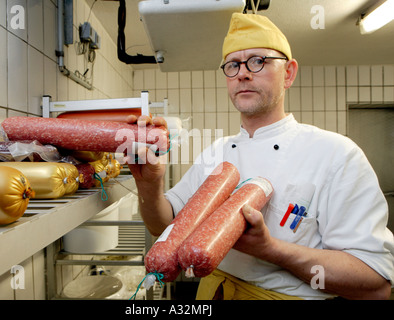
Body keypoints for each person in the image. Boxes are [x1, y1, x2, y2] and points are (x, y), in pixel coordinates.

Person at [125, 13, 394, 300]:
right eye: (232, 65)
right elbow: (164, 227)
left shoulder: (337, 155)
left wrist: (270, 249)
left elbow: (376, 284)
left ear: (288, 73)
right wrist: (150, 185)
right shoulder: (215, 152)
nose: (242, 73)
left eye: (258, 61)